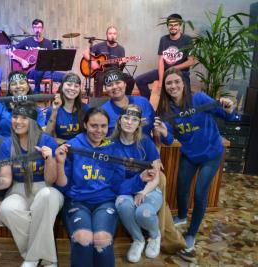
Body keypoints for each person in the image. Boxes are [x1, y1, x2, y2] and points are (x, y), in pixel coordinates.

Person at [155, 68, 237, 261]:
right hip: (190, 155)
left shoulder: (199, 99)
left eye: (176, 82)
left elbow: (227, 116)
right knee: (181, 188)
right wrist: (162, 132)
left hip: (211, 154)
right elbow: (168, 141)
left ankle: (191, 233)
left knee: (200, 193)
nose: (173, 86)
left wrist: (229, 107)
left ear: (184, 83)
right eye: (169, 83)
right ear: (165, 87)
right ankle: (182, 216)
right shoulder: (167, 110)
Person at [55, 107, 155, 267]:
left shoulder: (113, 148)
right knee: (83, 237)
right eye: (94, 125)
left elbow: (119, 186)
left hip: (105, 202)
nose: (99, 130)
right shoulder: (73, 146)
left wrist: (140, 179)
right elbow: (62, 186)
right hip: (77, 202)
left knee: (102, 238)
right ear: (85, 125)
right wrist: (59, 163)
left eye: (103, 126)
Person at [0, 101, 63, 267]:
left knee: (47, 196)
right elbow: (5, 180)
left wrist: (49, 160)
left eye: (23, 118)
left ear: (33, 121)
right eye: (15, 117)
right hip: (18, 188)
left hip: (45, 187)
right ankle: (38, 256)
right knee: (7, 209)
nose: (17, 121)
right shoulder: (7, 144)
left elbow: (51, 180)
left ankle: (34, 260)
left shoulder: (47, 141)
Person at [110, 104, 163, 263]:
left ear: (139, 124)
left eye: (134, 119)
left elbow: (156, 176)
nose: (129, 122)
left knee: (143, 212)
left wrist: (143, 193)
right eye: (126, 118)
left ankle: (155, 236)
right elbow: (114, 181)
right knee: (122, 204)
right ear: (120, 120)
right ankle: (138, 239)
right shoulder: (111, 144)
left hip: (148, 189)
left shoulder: (146, 143)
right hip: (125, 189)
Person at [135, 14, 194, 100]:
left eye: (176, 25)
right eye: (170, 25)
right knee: (139, 80)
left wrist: (174, 67)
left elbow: (191, 61)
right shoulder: (163, 39)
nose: (173, 27)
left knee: (187, 100)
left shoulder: (187, 39)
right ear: (167, 26)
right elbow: (161, 61)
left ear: (180, 26)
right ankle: (147, 104)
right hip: (165, 70)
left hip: (181, 73)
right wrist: (160, 84)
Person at [0, 71, 46, 139]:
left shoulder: (36, 109)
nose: (18, 86)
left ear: (28, 87)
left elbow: (42, 134)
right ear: (9, 89)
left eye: (22, 83)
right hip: (3, 146)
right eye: (14, 84)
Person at [13, 18, 64, 94]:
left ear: (42, 29)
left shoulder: (48, 43)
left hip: (45, 71)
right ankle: (37, 89)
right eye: (35, 27)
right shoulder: (27, 41)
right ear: (33, 29)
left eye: (39, 27)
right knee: (39, 69)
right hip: (30, 71)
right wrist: (21, 60)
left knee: (65, 77)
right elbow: (9, 51)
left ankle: (57, 93)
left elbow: (53, 59)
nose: (37, 29)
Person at [101, 68, 155, 137]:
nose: (114, 87)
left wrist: (157, 144)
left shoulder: (143, 102)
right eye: (109, 85)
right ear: (105, 88)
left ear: (125, 84)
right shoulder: (103, 113)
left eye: (118, 82)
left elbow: (155, 126)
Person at [82, 26, 129, 97]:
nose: (112, 35)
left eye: (114, 33)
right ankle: (98, 101)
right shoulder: (100, 46)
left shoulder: (121, 49)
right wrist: (92, 61)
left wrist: (123, 62)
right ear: (106, 35)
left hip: (114, 71)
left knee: (130, 79)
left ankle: (125, 99)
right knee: (99, 77)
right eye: (110, 33)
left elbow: (120, 67)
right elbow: (85, 53)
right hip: (101, 72)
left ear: (117, 36)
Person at [45, 72, 89, 143]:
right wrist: (55, 111)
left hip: (80, 149)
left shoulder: (85, 108)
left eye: (76, 86)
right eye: (69, 84)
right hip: (60, 149)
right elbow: (47, 137)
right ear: (62, 86)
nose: (72, 88)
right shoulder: (52, 109)